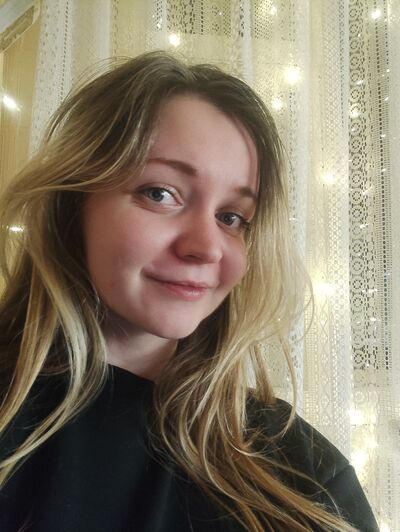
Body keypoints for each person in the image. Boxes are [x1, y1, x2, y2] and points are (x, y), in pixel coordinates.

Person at [0, 51, 378, 532]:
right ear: (73, 206)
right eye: (160, 193)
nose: (206, 247)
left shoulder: (305, 476)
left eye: (231, 217)